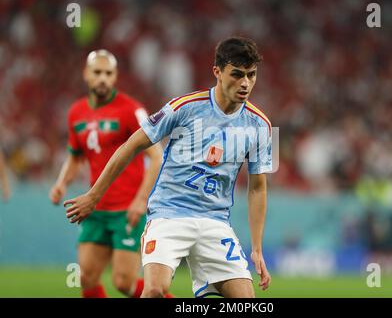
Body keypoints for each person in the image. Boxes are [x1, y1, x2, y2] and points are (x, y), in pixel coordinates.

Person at [64, 37, 273, 298]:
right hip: (169, 214)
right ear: (217, 72)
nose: (245, 83)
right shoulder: (184, 108)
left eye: (251, 75)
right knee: (153, 292)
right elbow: (130, 146)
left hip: (215, 222)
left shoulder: (260, 125)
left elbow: (257, 188)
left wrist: (256, 248)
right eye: (237, 75)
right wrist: (94, 196)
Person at [50, 50, 168, 298]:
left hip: (127, 210)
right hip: (94, 208)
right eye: (97, 72)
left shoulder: (131, 110)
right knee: (86, 278)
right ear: (86, 74)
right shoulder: (76, 112)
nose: (102, 78)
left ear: (115, 77)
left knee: (124, 283)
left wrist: (141, 200)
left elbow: (156, 156)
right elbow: (75, 155)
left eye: (108, 73)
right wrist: (62, 182)